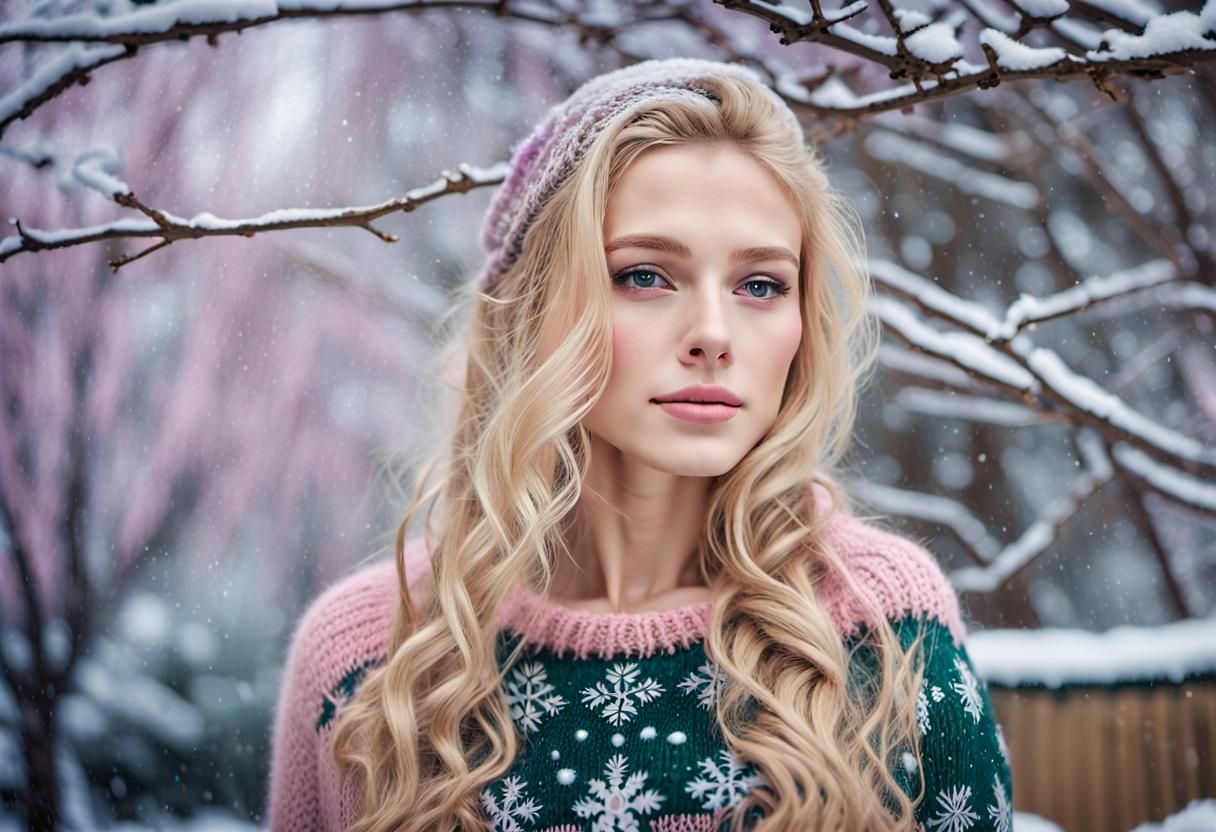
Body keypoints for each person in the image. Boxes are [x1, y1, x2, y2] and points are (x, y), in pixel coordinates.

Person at [265, 57, 1013, 832]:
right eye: (647, 276)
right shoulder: (368, 660)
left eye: (760, 285)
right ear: (532, 311)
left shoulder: (881, 628)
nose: (713, 337)